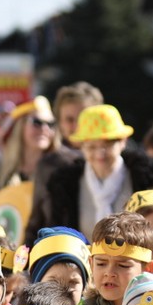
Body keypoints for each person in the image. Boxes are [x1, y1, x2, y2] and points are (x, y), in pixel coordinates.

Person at [40, 104, 153, 238]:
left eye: (107, 145)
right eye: (92, 147)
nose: (100, 154)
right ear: (81, 147)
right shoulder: (64, 183)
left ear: (123, 142)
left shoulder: (144, 179)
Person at [24, 82, 102, 244]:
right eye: (69, 119)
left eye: (82, 118)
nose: (76, 126)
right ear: (59, 121)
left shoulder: (117, 159)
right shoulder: (50, 164)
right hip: (63, 251)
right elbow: (37, 218)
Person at [0, 96, 59, 222]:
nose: (45, 129)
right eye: (37, 122)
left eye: (50, 123)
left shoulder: (59, 172)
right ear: (20, 126)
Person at [79, 212, 153, 305]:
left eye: (122, 265)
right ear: (91, 264)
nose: (109, 272)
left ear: (148, 269)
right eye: (101, 264)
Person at [26, 227, 91, 305]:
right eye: (53, 282)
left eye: (73, 282)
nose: (64, 291)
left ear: (83, 288)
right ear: (36, 283)